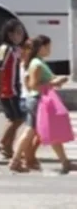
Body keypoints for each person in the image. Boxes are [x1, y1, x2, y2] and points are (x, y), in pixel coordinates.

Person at [11, 35, 72, 173]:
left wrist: (55, 81)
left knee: (47, 131)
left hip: (38, 99)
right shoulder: (36, 64)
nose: (50, 49)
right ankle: (15, 161)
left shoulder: (38, 62)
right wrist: (54, 83)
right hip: (38, 100)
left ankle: (65, 162)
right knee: (31, 131)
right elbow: (33, 85)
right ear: (41, 47)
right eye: (48, 47)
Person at [0, 19, 28, 160]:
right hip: (9, 89)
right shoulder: (5, 49)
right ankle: (2, 141)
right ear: (10, 34)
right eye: (17, 33)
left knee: (14, 117)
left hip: (17, 88)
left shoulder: (17, 49)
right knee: (18, 118)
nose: (20, 36)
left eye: (21, 33)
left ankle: (8, 147)